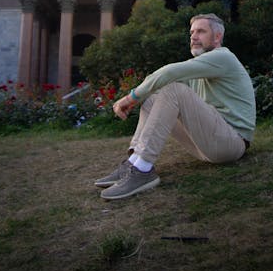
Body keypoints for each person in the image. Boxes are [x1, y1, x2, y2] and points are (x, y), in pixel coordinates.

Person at [94, 13, 256, 200]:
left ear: (217, 37)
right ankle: (133, 162)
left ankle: (143, 169)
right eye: (192, 32)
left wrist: (131, 98)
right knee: (153, 97)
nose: (194, 37)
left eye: (201, 31)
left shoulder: (223, 57)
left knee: (173, 88)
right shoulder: (202, 67)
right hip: (207, 145)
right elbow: (164, 86)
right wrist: (144, 95)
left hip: (232, 144)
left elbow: (169, 72)